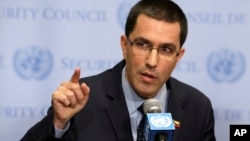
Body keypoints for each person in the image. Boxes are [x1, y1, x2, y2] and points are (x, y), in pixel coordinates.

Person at [21, 0, 216, 141]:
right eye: (142, 44)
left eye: (166, 49)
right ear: (125, 46)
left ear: (178, 56)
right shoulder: (81, 100)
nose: (152, 61)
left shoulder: (197, 108)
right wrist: (59, 125)